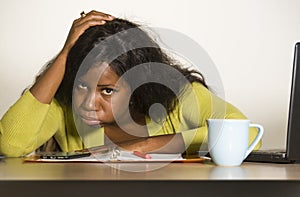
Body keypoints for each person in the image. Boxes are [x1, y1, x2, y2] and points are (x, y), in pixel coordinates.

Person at [0, 10, 261, 157]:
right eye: (82, 86)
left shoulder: (180, 97)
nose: (89, 103)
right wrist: (67, 52)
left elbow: (246, 133)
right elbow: (10, 145)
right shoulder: (63, 105)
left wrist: (145, 144)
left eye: (107, 90)